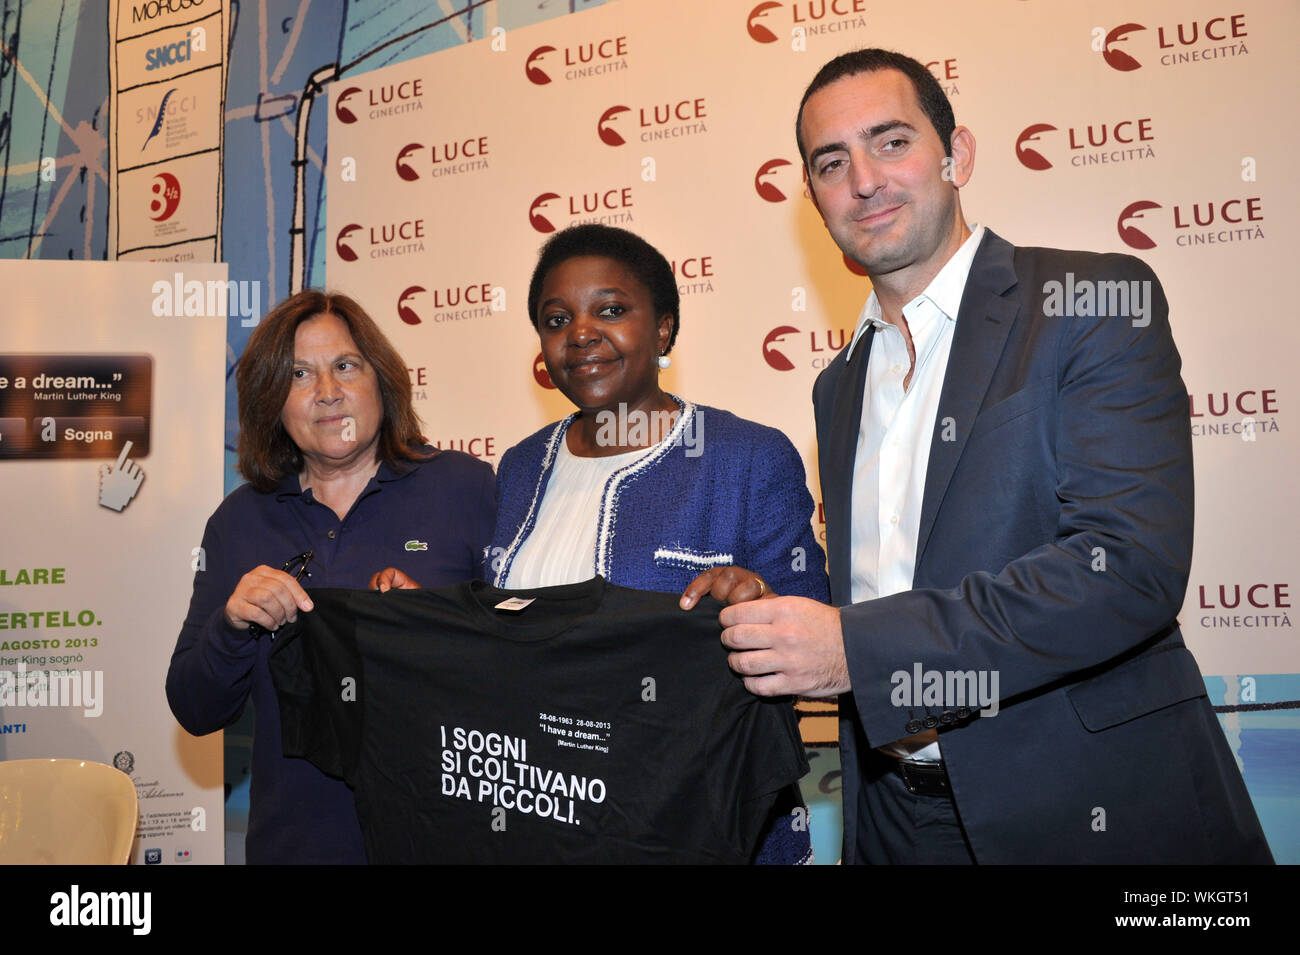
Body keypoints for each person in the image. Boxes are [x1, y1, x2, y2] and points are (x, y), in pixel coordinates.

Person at [719, 49, 1273, 863]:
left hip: (1089, 807)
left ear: (957, 155)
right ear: (812, 197)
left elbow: (1125, 568)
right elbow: (885, 580)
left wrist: (856, 651)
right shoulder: (836, 386)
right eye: (831, 162)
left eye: (892, 141)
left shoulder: (1087, 303)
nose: (864, 179)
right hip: (894, 821)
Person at [381, 224, 829, 863]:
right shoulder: (519, 467)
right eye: (556, 318)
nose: (581, 334)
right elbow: (511, 642)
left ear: (665, 329)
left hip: (705, 834)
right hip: (543, 822)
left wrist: (760, 601)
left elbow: (814, 645)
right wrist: (426, 620)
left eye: (612, 310)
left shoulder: (747, 457)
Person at [167, 289, 495, 864]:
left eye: (345, 365)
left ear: (381, 380)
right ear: (272, 402)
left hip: (446, 842)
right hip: (296, 846)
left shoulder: (466, 489)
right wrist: (232, 624)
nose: (326, 392)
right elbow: (195, 709)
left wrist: (439, 626)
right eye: (298, 375)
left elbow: (518, 670)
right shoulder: (240, 520)